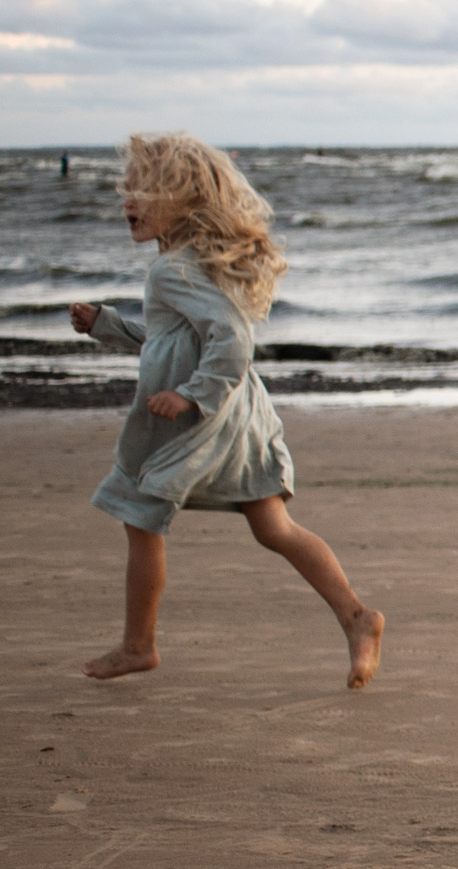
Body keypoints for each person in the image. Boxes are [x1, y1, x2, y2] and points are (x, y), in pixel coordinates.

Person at [69, 133, 384, 688]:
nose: (130, 202)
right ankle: (358, 619)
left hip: (201, 419)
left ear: (187, 201)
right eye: (128, 190)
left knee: (139, 513)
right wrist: (108, 326)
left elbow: (233, 339)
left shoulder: (173, 270)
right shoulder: (189, 264)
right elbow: (177, 341)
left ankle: (139, 645)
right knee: (273, 526)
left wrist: (193, 395)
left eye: (145, 190)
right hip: (241, 415)